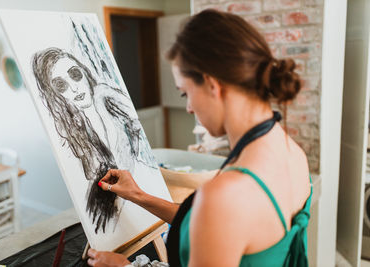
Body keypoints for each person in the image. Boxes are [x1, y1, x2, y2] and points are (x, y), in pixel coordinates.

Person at [87, 9, 312, 267]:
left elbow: (219, 216)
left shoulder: (225, 196)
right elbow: (219, 227)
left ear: (212, 85)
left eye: (185, 93)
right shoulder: (292, 152)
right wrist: (139, 195)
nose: (189, 108)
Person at [32, 48, 156, 233]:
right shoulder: (72, 127)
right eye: (61, 85)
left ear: (84, 71)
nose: (74, 87)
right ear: (54, 94)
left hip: (141, 193)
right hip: (113, 207)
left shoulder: (108, 98)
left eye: (75, 74)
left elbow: (133, 152)